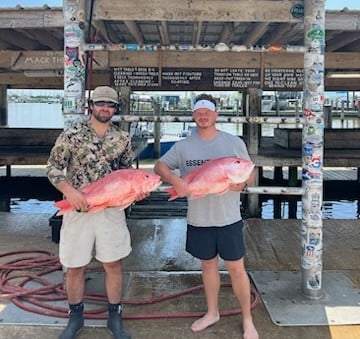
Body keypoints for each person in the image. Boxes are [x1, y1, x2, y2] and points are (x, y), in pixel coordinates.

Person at [154, 94, 259, 339]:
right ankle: (212, 313)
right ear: (194, 115)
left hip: (229, 220)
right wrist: (176, 181)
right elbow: (159, 166)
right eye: (199, 111)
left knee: (236, 269)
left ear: (216, 115)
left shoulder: (233, 142)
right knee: (208, 266)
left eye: (208, 111)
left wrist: (241, 184)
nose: (203, 115)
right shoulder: (183, 146)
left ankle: (247, 320)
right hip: (199, 220)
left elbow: (249, 173)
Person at [47, 86, 141, 339]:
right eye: (100, 103)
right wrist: (70, 192)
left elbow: (127, 173)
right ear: (91, 105)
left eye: (110, 105)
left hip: (110, 211)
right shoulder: (72, 134)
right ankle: (75, 317)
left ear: (115, 109)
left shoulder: (122, 138)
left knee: (113, 264)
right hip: (78, 209)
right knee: (75, 266)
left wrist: (136, 191)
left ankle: (115, 317)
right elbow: (54, 168)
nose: (105, 108)